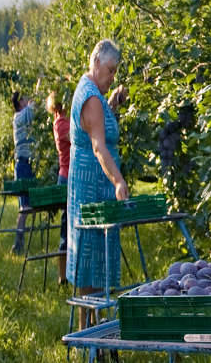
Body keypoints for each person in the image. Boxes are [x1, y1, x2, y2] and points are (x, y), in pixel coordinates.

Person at [66, 39, 129, 329]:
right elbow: (98, 147)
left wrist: (112, 102)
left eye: (115, 71)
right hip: (94, 187)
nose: (112, 76)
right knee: (92, 262)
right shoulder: (91, 97)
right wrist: (118, 181)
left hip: (89, 184)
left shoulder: (92, 92)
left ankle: (92, 330)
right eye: (110, 70)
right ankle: (91, 333)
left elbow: (98, 122)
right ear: (96, 63)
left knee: (91, 263)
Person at [47, 91, 72, 284]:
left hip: (66, 175)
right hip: (67, 178)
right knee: (66, 227)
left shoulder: (59, 121)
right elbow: (79, 138)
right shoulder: (62, 123)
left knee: (67, 225)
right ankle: (63, 275)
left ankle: (65, 275)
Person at [10, 90, 37, 255]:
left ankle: (20, 242)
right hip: (23, 165)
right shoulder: (20, 117)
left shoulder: (21, 117)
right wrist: (40, 83)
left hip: (25, 164)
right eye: (25, 99)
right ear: (20, 103)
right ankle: (18, 243)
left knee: (26, 206)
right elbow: (34, 107)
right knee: (25, 207)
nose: (28, 100)